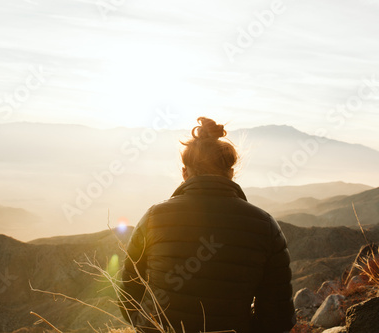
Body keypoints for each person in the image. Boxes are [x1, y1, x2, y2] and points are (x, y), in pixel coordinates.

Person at [119, 117, 296, 333]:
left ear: (184, 173)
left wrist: (147, 326)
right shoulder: (266, 226)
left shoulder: (153, 218)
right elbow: (278, 319)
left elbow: (129, 292)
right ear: (231, 173)